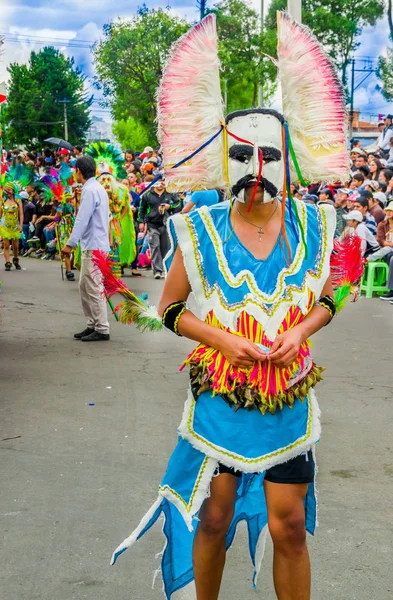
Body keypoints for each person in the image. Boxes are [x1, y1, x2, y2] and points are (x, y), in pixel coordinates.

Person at [106, 13, 361, 600]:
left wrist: (306, 328)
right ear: (225, 160)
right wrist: (223, 341)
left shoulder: (316, 225)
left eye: (267, 158)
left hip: (288, 402)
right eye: (242, 159)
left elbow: (338, 290)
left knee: (290, 526)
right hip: (221, 403)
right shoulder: (200, 231)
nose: (255, 173)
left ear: (287, 159)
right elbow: (170, 309)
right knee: (213, 518)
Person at [62, 156, 110, 342]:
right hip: (94, 243)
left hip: (94, 245)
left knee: (93, 287)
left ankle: (102, 327)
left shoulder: (90, 190)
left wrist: (70, 244)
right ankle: (92, 324)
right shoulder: (95, 188)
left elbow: (82, 219)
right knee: (84, 286)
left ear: (79, 171)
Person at [138, 179, 182, 279]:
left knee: (165, 248)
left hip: (165, 224)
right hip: (152, 224)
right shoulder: (147, 195)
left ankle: (166, 269)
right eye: (158, 181)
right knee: (155, 246)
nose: (161, 184)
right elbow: (142, 209)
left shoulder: (170, 193)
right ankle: (157, 270)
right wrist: (141, 221)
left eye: (163, 181)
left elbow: (179, 205)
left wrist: (169, 206)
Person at [370, 201, 393, 302]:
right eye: (387, 210)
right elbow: (381, 241)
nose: (388, 213)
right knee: (389, 255)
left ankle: (390, 287)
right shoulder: (382, 224)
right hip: (386, 250)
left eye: (391, 211)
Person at [0, 182, 23, 270]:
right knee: (6, 245)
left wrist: (20, 225)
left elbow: (21, 214)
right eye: (6, 189)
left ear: (13, 191)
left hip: (15, 226)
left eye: (9, 189)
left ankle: (15, 260)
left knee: (15, 246)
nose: (7, 191)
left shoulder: (18, 200)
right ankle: (7, 262)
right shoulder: (2, 200)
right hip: (5, 226)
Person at [19, 190, 36, 255]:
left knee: (23, 235)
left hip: (26, 224)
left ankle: (25, 247)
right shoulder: (30, 204)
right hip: (26, 223)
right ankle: (22, 247)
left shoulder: (27, 205)